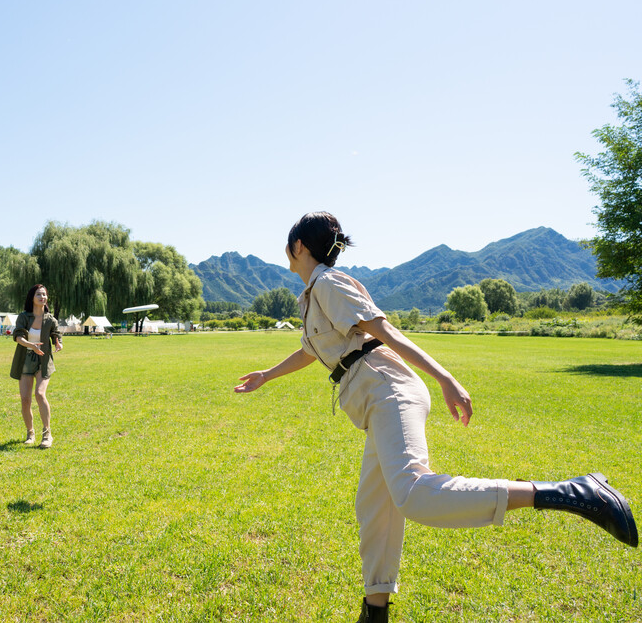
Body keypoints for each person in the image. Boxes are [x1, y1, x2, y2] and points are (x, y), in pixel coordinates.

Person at [234, 212, 637, 622]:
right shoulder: (315, 293)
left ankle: (571, 492)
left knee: (413, 494)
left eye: (289, 244)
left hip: (388, 390)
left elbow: (387, 334)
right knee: (375, 508)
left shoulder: (329, 283)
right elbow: (310, 350)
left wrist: (445, 377)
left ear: (298, 246)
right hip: (376, 399)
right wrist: (267, 375)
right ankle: (375, 612)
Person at [11, 284, 62, 449]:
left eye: (44, 295)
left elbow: (56, 332)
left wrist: (57, 342)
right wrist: (31, 345)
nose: (42, 297)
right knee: (25, 400)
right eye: (39, 294)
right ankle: (30, 433)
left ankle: (47, 434)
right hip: (25, 359)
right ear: (32, 297)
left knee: (40, 394)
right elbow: (18, 336)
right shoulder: (24, 317)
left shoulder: (50, 318)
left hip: (43, 361)